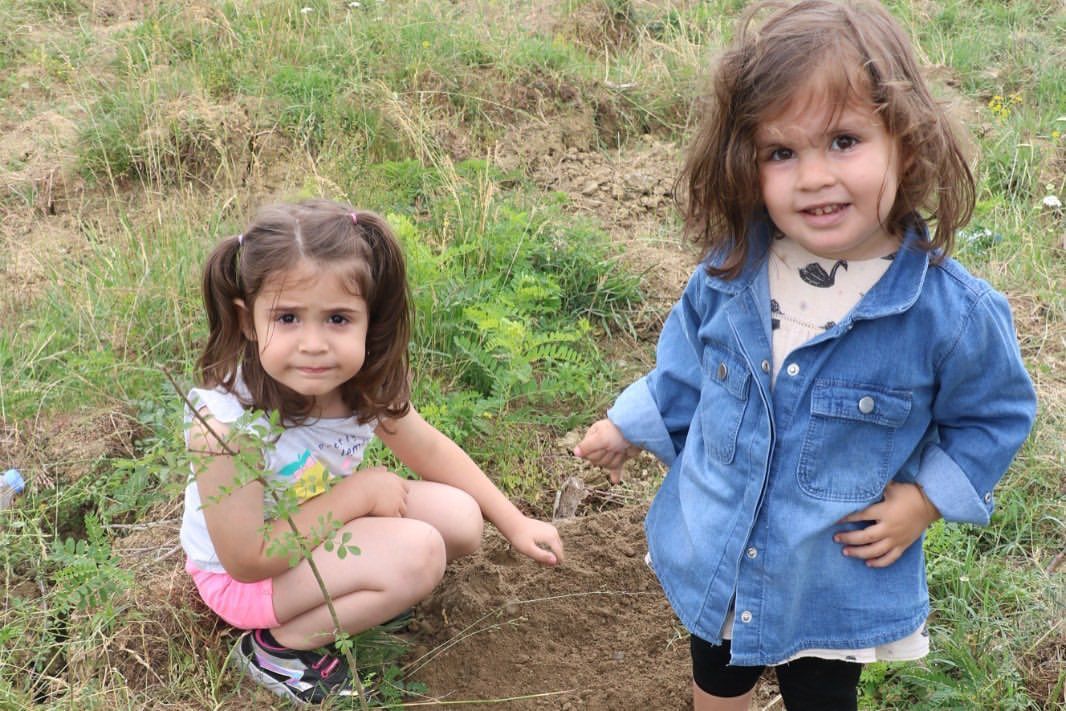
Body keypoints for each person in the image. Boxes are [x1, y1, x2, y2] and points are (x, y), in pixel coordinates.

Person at [574, 2, 1036, 709]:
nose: (814, 177)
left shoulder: (948, 312)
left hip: (831, 577)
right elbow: (689, 368)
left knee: (820, 696)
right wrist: (630, 425)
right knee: (716, 673)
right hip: (718, 541)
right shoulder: (732, 271)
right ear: (745, 163)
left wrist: (926, 499)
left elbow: (996, 414)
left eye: (844, 141)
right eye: (782, 153)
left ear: (906, 144)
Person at [179, 198, 564, 705]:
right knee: (421, 554)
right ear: (248, 321)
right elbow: (250, 559)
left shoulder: (360, 385)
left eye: (338, 319)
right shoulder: (226, 427)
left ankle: (364, 591)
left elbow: (428, 449)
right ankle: (279, 649)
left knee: (462, 519)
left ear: (370, 319)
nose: (314, 343)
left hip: (312, 531)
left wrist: (514, 523)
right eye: (288, 317)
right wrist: (359, 494)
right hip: (244, 579)